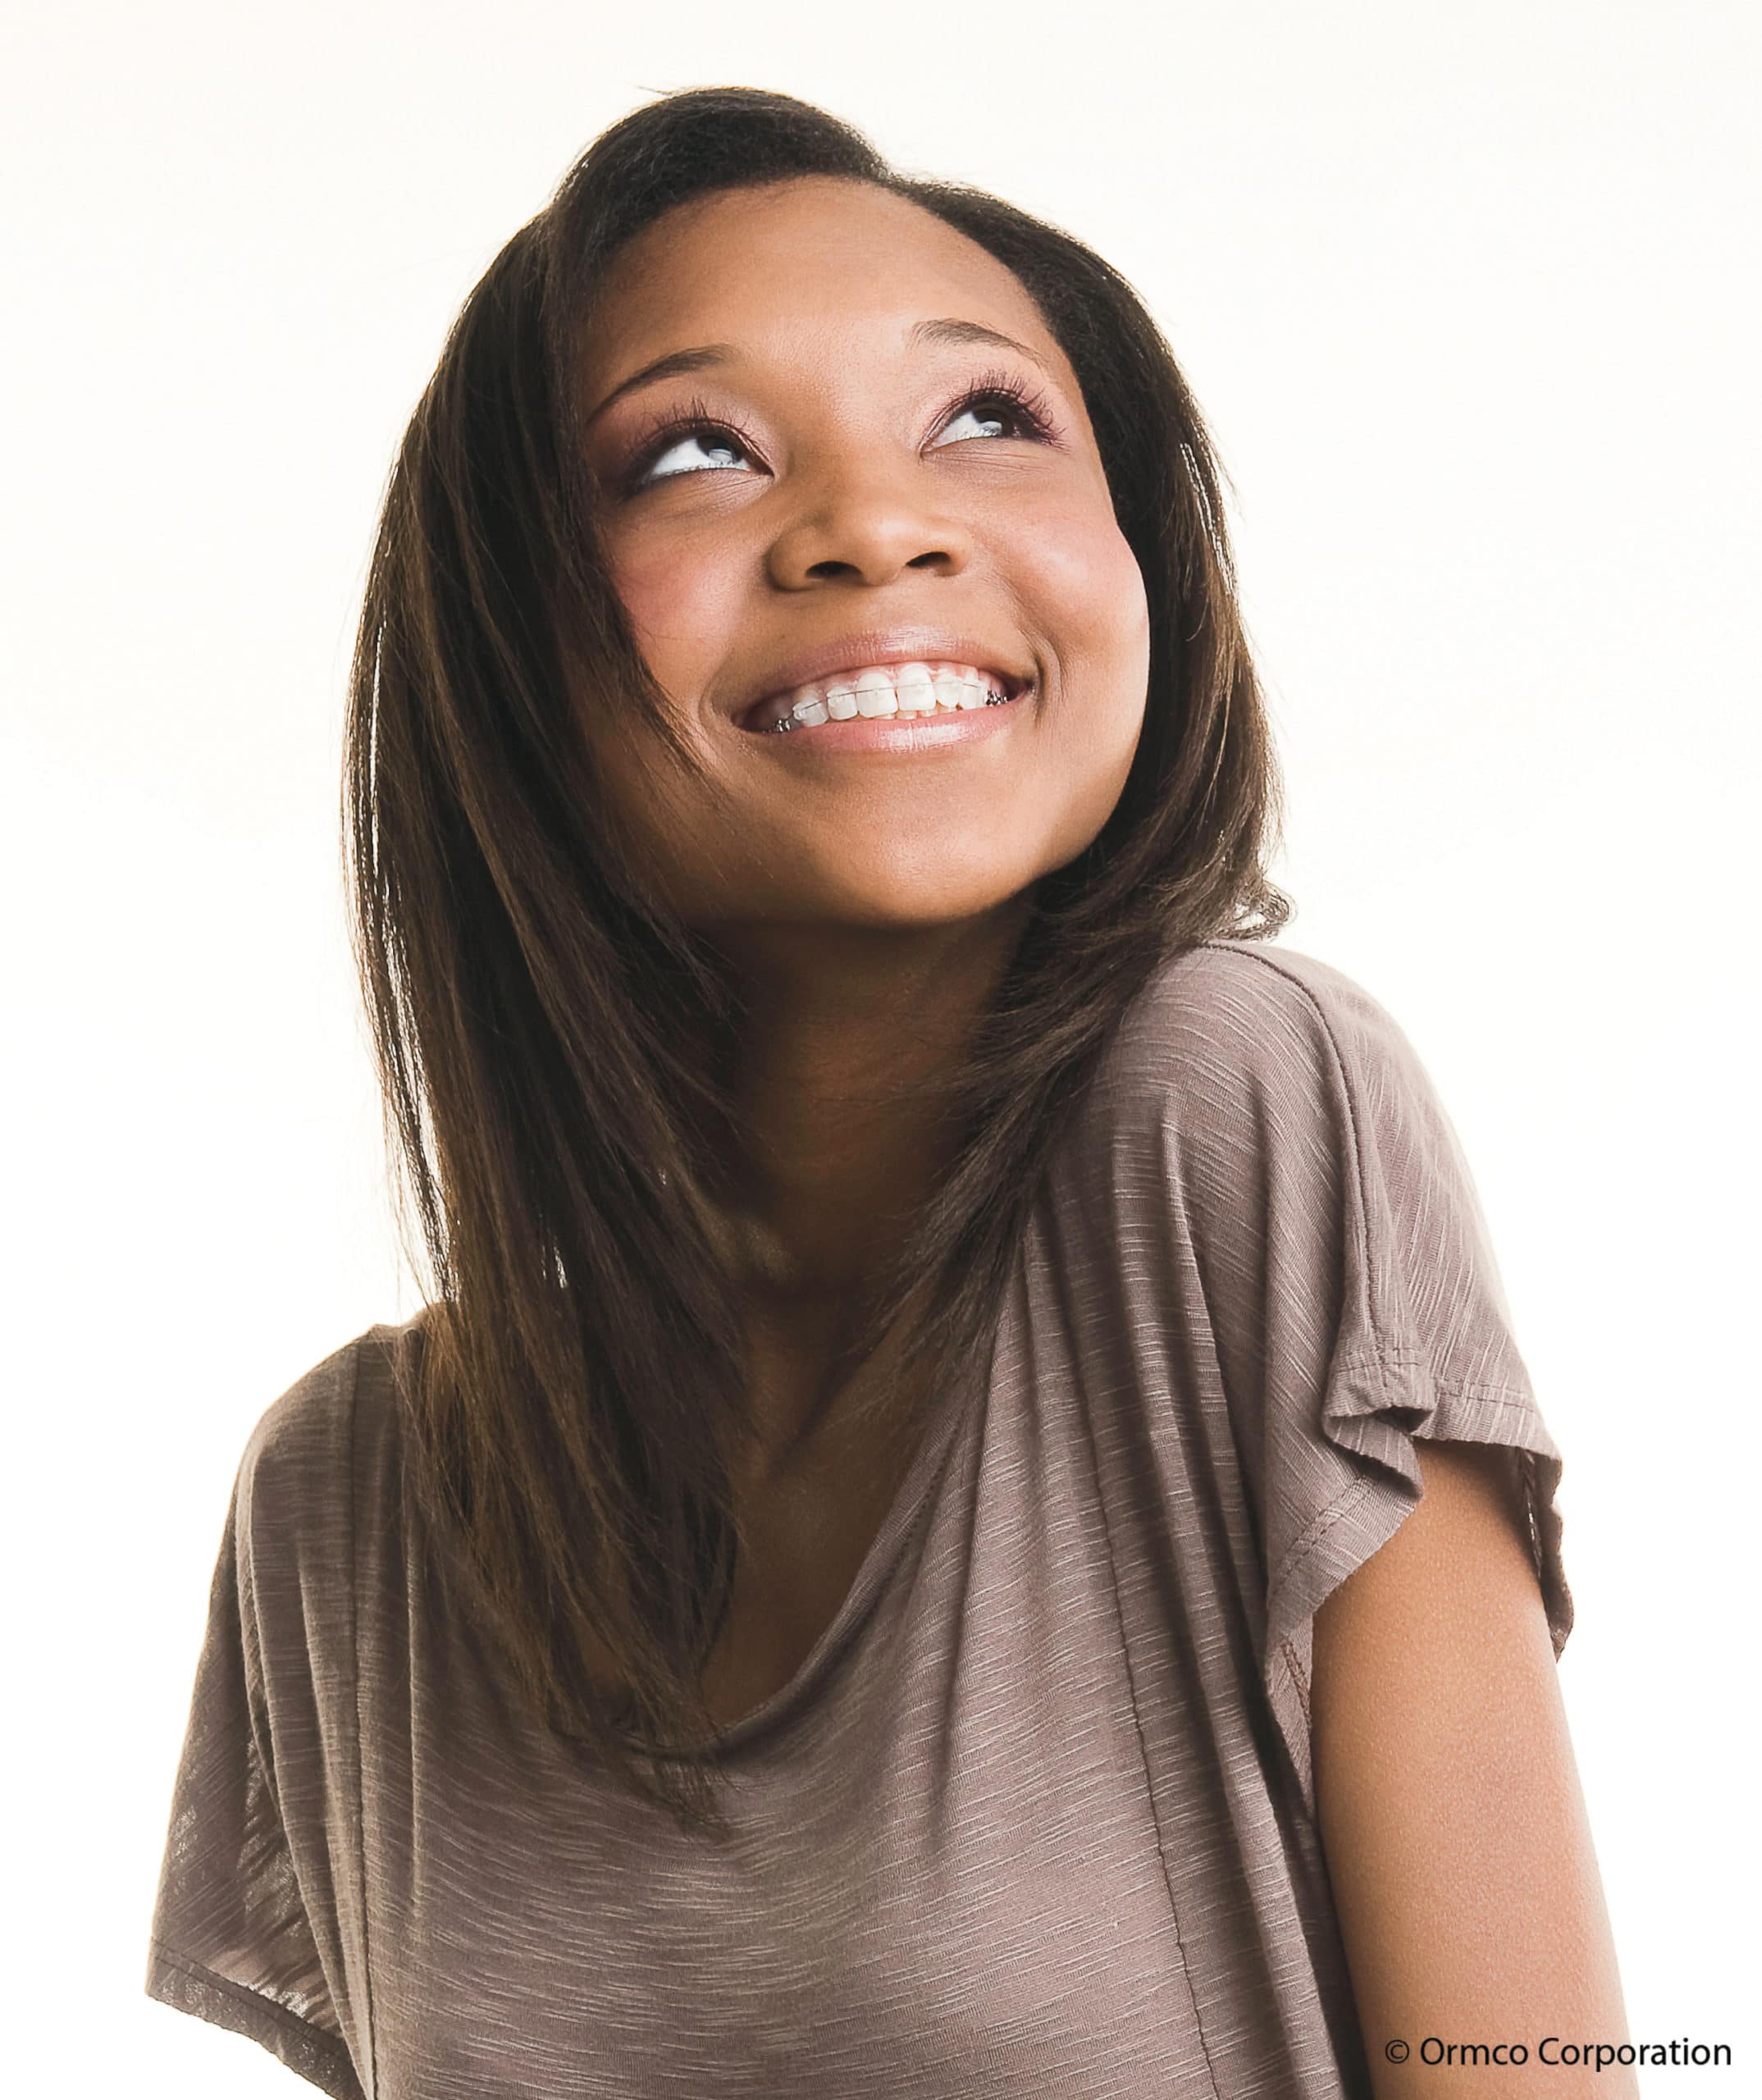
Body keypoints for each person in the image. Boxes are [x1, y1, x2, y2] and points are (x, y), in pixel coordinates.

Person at [144, 85, 1636, 2099]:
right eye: (695, 451)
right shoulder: (348, 1512)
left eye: (988, 419)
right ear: (508, 646)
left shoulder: (1234, 1116)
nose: (876, 521)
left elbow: (1530, 2068)